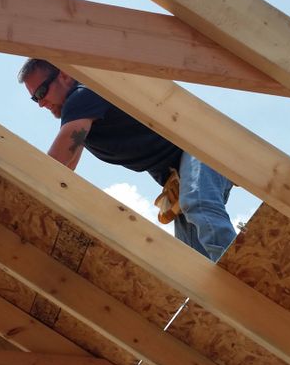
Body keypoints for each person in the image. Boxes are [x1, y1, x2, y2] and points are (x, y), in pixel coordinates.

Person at [18, 58, 236, 262]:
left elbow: (56, 162)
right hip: (179, 175)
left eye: (42, 91)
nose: (41, 103)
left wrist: (23, 197)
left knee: (197, 203)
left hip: (199, 147)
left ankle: (247, 280)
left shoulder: (81, 96)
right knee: (194, 258)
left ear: (64, 75)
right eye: (35, 98)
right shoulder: (84, 115)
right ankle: (230, 297)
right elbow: (66, 168)